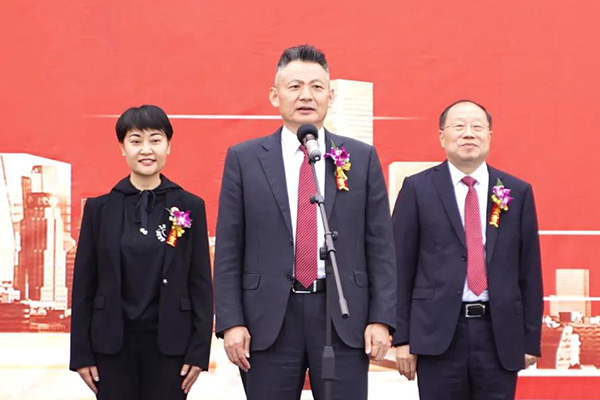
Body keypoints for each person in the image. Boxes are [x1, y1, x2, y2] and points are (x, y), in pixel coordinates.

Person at [214, 44, 396, 399]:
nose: (306, 96)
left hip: (343, 315)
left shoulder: (360, 157)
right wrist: (231, 322)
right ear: (275, 96)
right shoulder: (244, 159)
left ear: (331, 95)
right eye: (294, 86)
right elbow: (229, 249)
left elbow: (381, 246)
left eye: (316, 86)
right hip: (268, 320)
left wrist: (381, 318)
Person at [393, 100, 543, 400]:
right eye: (459, 126)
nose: (468, 133)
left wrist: (530, 340)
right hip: (437, 335)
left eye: (477, 127)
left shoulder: (517, 191)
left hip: (499, 335)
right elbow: (399, 267)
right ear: (442, 136)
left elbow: (529, 271)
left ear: (490, 135)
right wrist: (402, 337)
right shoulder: (417, 189)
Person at [69, 105, 213, 400]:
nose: (146, 149)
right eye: (135, 141)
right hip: (111, 346)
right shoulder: (99, 209)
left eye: (155, 140)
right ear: (122, 148)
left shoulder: (189, 206)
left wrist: (199, 352)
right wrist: (81, 354)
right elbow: (84, 285)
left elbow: (200, 282)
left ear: (168, 145)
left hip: (171, 346)